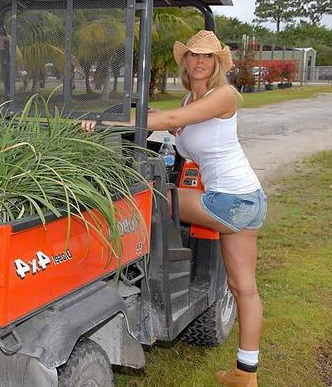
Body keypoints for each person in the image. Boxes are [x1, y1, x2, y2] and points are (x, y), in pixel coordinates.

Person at [82, 30, 266, 387]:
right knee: (243, 287)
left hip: (231, 199)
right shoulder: (188, 100)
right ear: (186, 61)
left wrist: (106, 124)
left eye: (208, 56)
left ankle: (151, 271)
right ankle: (246, 374)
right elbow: (169, 119)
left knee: (150, 197)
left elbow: (166, 124)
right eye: (194, 55)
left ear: (217, 64)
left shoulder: (224, 94)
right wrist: (132, 112)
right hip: (245, 200)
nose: (199, 61)